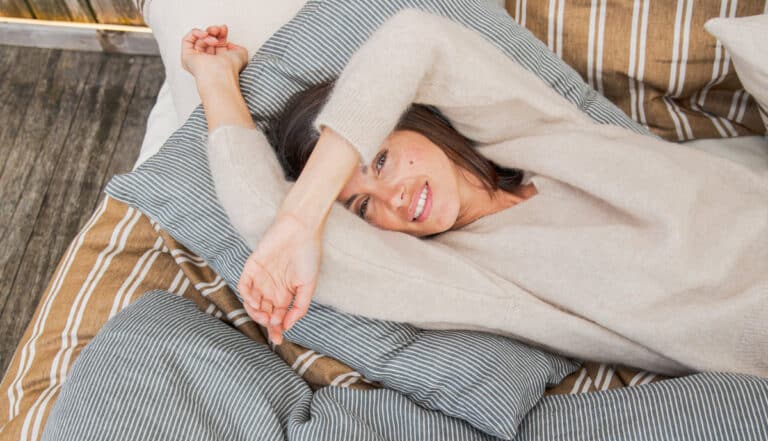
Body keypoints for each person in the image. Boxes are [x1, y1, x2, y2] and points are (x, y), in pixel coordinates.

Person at [182, 11, 768, 376]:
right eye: (361, 207)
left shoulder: (533, 133)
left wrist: (303, 210)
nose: (390, 198)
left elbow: (412, 38)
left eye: (380, 159)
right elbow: (267, 225)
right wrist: (215, 80)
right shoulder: (463, 276)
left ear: (413, 119)